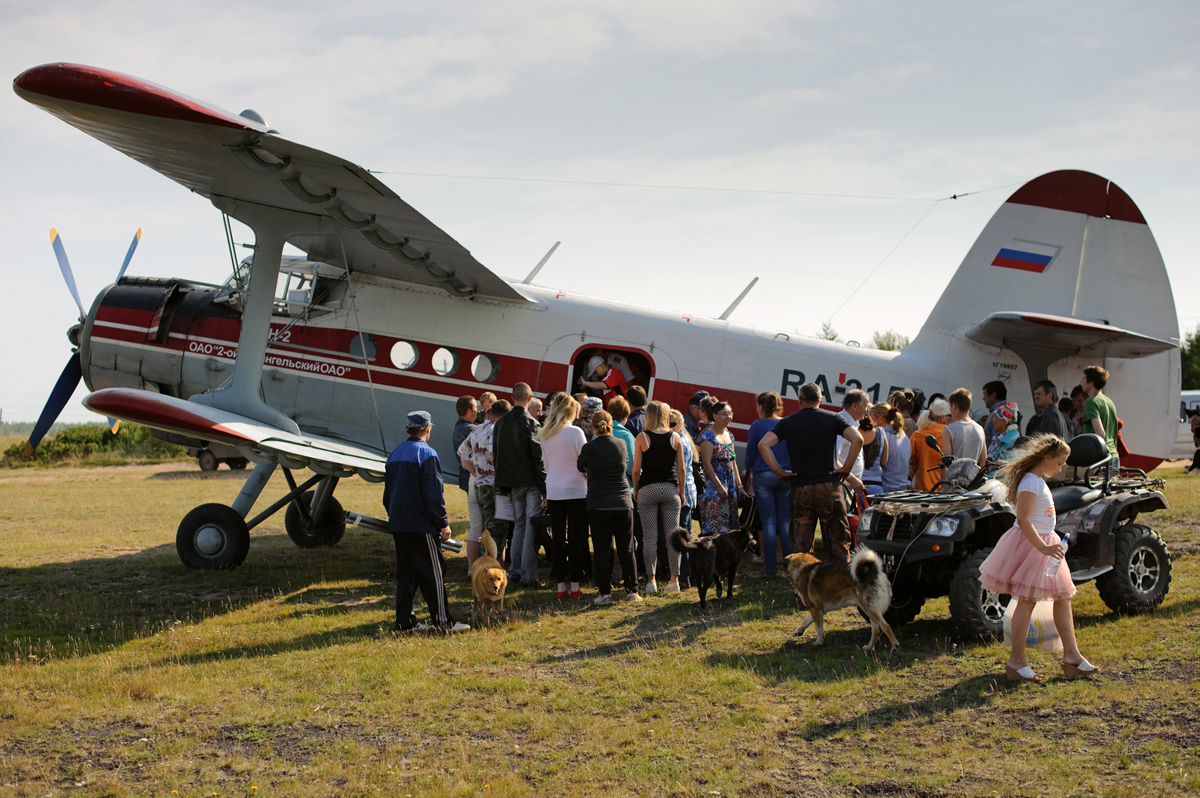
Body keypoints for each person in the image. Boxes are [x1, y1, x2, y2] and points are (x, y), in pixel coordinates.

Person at [978, 435, 1099, 682]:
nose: (1061, 468)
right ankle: (1017, 661)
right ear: (1047, 458)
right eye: (1060, 462)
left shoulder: (1037, 480)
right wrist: (1043, 548)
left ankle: (1072, 656)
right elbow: (1023, 520)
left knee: (1062, 598)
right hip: (1035, 546)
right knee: (1027, 601)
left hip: (1046, 544)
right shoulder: (1031, 483)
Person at [756, 382, 863, 563]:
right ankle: (839, 585)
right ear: (821, 400)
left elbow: (763, 445)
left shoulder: (788, 422)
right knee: (837, 541)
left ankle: (803, 588)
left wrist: (779, 472)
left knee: (801, 545)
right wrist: (846, 468)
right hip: (829, 487)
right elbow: (857, 439)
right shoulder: (834, 418)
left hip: (801, 487)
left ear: (800, 400)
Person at [383, 411, 469, 633]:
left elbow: (387, 494)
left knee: (406, 574)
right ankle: (443, 622)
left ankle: (404, 623)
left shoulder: (395, 454)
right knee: (435, 573)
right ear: (428, 428)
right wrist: (442, 523)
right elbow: (433, 494)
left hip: (399, 523)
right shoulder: (427, 454)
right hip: (420, 525)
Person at [577, 410, 642, 604]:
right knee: (627, 548)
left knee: (602, 549)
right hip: (623, 501)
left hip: (598, 502)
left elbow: (581, 466)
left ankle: (604, 593)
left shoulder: (589, 447)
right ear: (610, 426)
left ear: (593, 427)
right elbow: (626, 464)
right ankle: (633, 590)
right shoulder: (621, 444)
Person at [493, 382, 547, 589]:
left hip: (512, 482)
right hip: (531, 481)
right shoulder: (531, 423)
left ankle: (515, 570)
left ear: (512, 396)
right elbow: (538, 458)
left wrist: (504, 487)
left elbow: (497, 456)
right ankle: (528, 575)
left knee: (519, 527)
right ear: (530, 397)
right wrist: (545, 488)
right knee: (530, 527)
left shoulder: (501, 423)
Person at [631, 401, 687, 593]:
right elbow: (681, 468)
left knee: (649, 537)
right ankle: (674, 580)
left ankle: (651, 581)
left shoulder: (642, 437)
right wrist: (682, 492)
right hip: (670, 488)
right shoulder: (676, 437)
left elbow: (636, 469)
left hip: (648, 488)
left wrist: (636, 489)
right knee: (673, 537)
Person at [538, 395, 589, 601]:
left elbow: (547, 467)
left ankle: (560, 587)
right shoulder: (576, 432)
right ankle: (575, 586)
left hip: (554, 489)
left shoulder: (545, 434)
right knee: (577, 539)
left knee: (557, 539)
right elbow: (585, 462)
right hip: (576, 489)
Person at [457, 399, 511, 570]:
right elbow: (496, 456)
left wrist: (477, 473)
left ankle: (490, 569)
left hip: (479, 486)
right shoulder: (498, 430)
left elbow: (464, 456)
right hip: (496, 487)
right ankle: (491, 570)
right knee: (496, 534)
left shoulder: (477, 429)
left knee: (485, 531)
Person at [744, 391, 792, 575]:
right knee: (784, 523)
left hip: (763, 476)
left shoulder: (756, 426)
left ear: (762, 406)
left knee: (769, 523)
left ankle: (770, 566)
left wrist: (752, 466)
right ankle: (789, 565)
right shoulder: (785, 423)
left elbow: (750, 454)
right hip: (784, 476)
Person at [698, 398, 748, 538]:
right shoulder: (708, 436)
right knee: (715, 528)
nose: (729, 417)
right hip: (713, 487)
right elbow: (706, 464)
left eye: (730, 413)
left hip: (729, 486)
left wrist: (739, 486)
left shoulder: (730, 436)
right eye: (725, 414)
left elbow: (733, 462)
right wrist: (719, 487)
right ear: (714, 415)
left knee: (727, 528)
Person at [667, 408, 698, 586]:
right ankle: (690, 575)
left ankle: (685, 577)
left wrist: (680, 494)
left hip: (683, 493)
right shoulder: (683, 438)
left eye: (671, 424)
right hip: (687, 492)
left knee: (682, 538)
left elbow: (681, 471)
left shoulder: (680, 441)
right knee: (686, 536)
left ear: (679, 424)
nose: (668, 427)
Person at [451, 395, 481, 557]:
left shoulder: (459, 426)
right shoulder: (470, 430)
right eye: (476, 409)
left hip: (465, 476)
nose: (479, 412)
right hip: (473, 477)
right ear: (469, 411)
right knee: (478, 523)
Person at [1080, 365, 1119, 467]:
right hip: (1113, 456)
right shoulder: (1109, 401)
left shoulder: (1090, 403)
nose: (1081, 382)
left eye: (1084, 379)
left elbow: (1100, 433)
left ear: (1091, 383)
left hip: (1101, 459)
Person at [909, 398, 952, 492]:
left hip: (919, 490)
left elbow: (911, 464)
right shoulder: (950, 435)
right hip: (944, 491)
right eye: (950, 416)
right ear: (943, 418)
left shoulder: (917, 435)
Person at [836, 390, 870, 490]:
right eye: (865, 405)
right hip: (841, 486)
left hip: (845, 486)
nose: (867, 409)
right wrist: (851, 478)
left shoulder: (848, 424)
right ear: (854, 406)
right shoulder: (841, 425)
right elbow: (832, 458)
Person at [945, 388, 987, 469]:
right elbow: (983, 461)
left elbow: (945, 463)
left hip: (952, 480)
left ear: (954, 405)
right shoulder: (980, 429)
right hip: (973, 479)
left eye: (949, 405)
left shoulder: (948, 430)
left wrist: (943, 481)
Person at [861, 403, 894, 495]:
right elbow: (884, 462)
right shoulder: (881, 432)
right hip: (876, 486)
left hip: (857, 483)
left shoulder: (854, 431)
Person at [878, 403, 912, 492]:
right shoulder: (904, 437)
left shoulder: (884, 435)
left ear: (880, 419)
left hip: (888, 488)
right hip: (902, 488)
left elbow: (881, 462)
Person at [978, 381, 1008, 448]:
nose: (983, 398)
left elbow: (997, 441)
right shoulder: (1008, 410)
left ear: (993, 396)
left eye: (985, 394)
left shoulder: (998, 413)